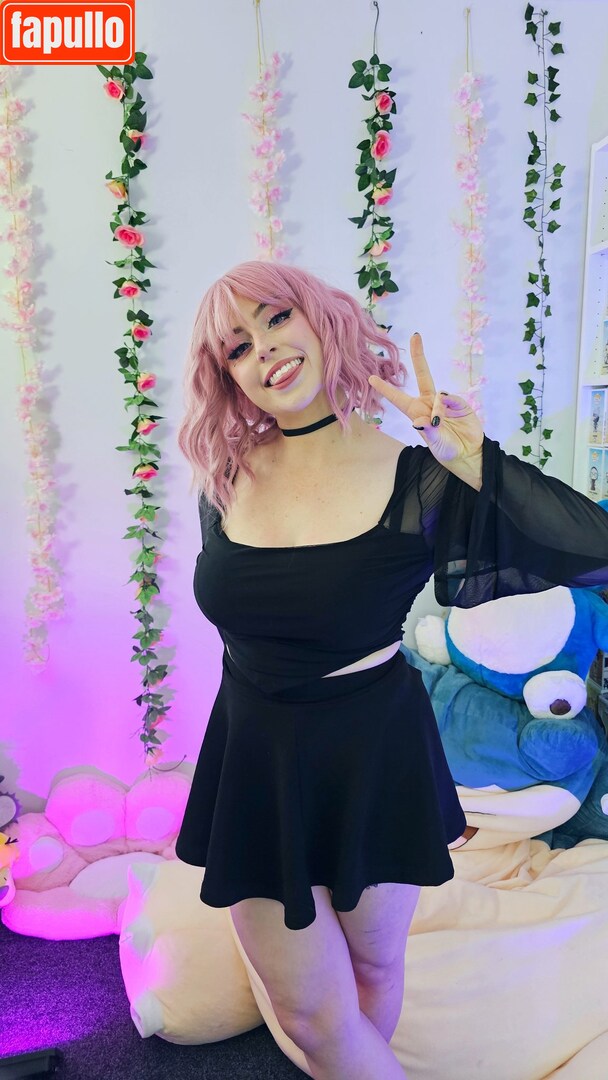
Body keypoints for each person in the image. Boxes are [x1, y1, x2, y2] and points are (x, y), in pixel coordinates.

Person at [175, 260, 608, 1080]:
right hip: (256, 755)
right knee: (311, 1014)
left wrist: (471, 457)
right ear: (225, 374)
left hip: (373, 751)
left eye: (276, 318)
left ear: (320, 319)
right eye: (237, 346)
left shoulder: (420, 480)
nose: (265, 350)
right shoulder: (225, 477)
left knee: (373, 973)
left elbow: (593, 548)